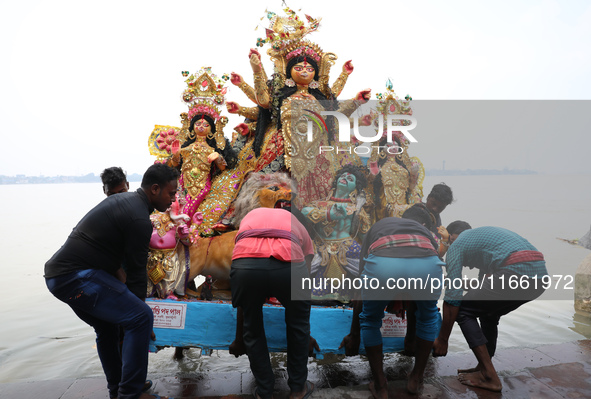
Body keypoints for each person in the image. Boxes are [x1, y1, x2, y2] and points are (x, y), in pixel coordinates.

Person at [45, 163, 179, 399]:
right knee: (141, 318)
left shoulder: (127, 204)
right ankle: (131, 393)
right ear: (155, 189)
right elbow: (137, 274)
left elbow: (105, 251)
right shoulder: (139, 218)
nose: (174, 199)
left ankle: (118, 390)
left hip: (59, 276)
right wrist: (140, 317)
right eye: (172, 193)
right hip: (73, 276)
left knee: (107, 327)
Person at [433, 226, 548, 392]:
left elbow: (453, 297)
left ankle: (489, 375)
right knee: (488, 312)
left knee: (463, 310)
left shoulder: (456, 246)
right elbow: (483, 291)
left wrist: (443, 340)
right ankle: (483, 367)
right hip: (540, 277)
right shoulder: (485, 244)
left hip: (516, 270)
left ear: (452, 239)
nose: (470, 267)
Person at [355, 204, 444, 397]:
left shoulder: (380, 225)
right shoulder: (426, 233)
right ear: (422, 224)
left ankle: (380, 385)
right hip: (427, 264)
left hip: (383, 262)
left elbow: (361, 282)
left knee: (370, 321)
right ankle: (416, 379)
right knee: (428, 318)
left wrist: (354, 334)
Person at [230, 206, 315, 399]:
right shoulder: (297, 222)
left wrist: (239, 335)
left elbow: (238, 257)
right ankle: (297, 389)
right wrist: (305, 333)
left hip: (245, 265)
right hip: (289, 266)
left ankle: (265, 390)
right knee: (298, 324)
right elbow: (307, 272)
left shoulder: (250, 216)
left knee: (252, 327)